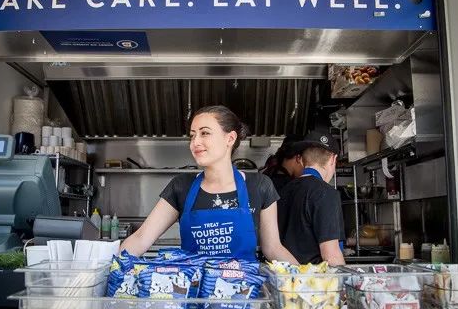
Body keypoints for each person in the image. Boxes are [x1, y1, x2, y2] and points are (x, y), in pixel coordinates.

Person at [121, 105, 298, 263]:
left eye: (205, 133)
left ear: (230, 139)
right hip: (194, 294)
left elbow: (273, 248)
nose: (195, 142)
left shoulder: (260, 186)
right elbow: (141, 238)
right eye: (192, 135)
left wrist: (307, 281)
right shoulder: (181, 186)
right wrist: (105, 269)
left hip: (244, 294)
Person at [277, 131, 346, 265]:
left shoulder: (283, 191)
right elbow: (331, 256)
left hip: (285, 278)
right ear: (333, 159)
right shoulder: (326, 193)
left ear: (301, 160)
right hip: (314, 281)